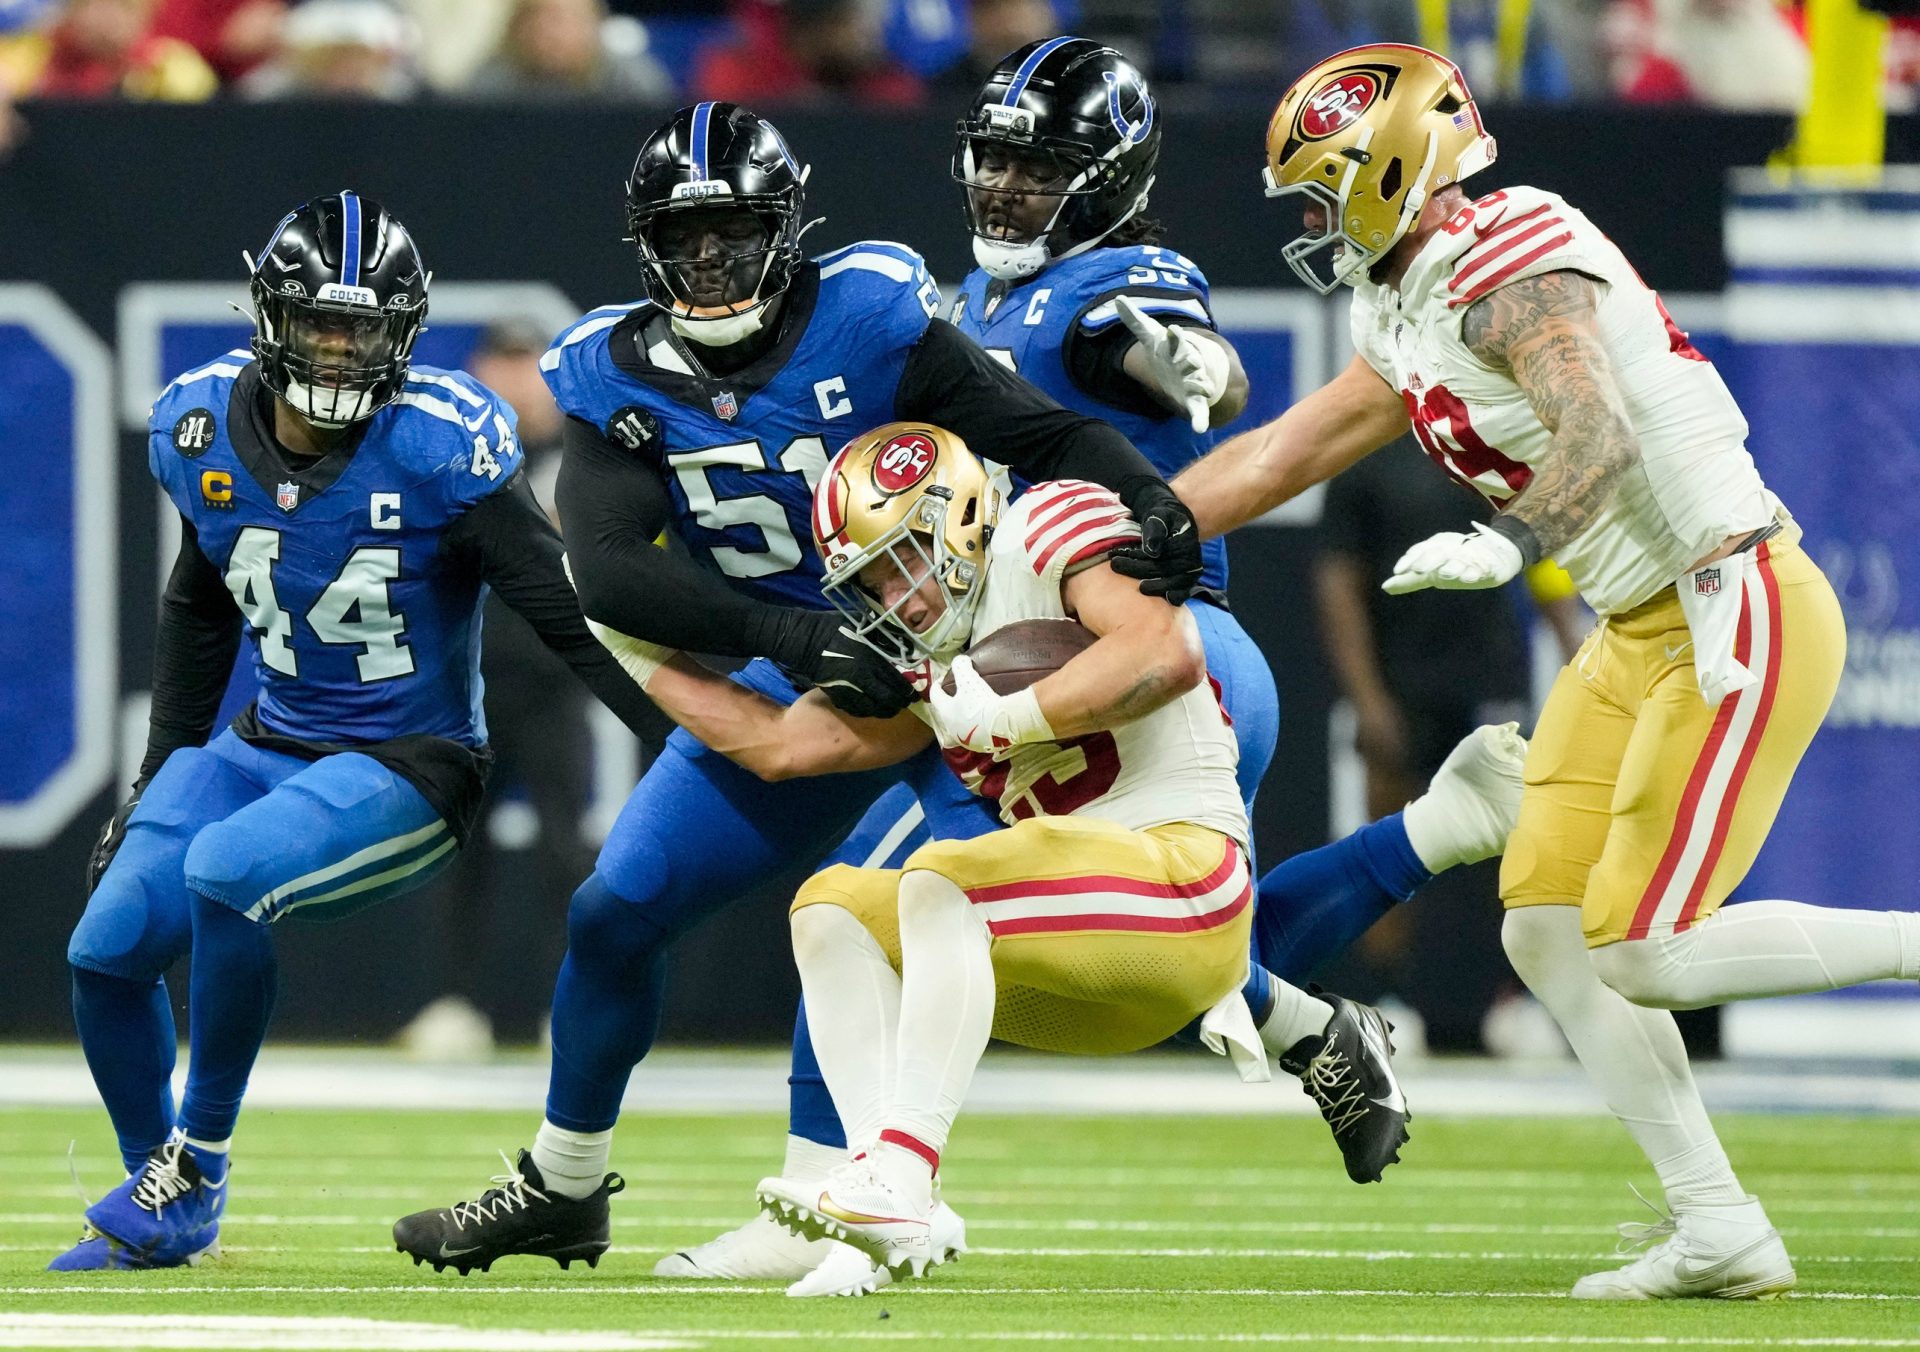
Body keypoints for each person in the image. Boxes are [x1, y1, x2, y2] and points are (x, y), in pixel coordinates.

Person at [387, 99, 1216, 1279]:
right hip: (807, 656)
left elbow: (1036, 430)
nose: (711, 260)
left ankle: (890, 1196)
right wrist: (789, 627)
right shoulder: (609, 369)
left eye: (734, 231)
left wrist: (1153, 492)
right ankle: (565, 1185)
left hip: (958, 649)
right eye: (685, 237)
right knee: (616, 910)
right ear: (644, 245)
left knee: (925, 918)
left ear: (788, 229)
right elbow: (611, 570)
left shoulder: (872, 311)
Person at [1171, 42, 1920, 1300]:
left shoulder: (1507, 256)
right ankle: (1719, 1224)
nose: (1309, 216)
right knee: (1544, 922)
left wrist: (1508, 538)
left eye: (1323, 187)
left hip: (1731, 597)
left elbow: (1599, 428)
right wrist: (1097, 538)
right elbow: (1281, 454)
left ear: (1395, 169)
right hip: (1639, 625)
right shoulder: (1397, 298)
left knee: (1642, 946)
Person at [592, 422, 1526, 1297]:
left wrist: (1006, 716)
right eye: (873, 584)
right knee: (832, 905)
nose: (898, 598)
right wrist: (631, 651)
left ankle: (904, 1179)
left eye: (905, 562)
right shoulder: (926, 651)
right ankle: (874, 1204)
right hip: (1083, 964)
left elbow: (1165, 652)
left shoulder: (1049, 524)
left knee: (941, 880)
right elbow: (780, 747)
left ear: (961, 518)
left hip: (1181, 890)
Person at [50, 193, 665, 1272]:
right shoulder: (198, 424)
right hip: (267, 736)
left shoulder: (439, 439)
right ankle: (166, 1186)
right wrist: (156, 777)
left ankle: (198, 1158)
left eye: (363, 329)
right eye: (319, 324)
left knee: (227, 872)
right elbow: (200, 603)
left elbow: (557, 602)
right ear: (269, 317)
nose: (338, 351)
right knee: (103, 950)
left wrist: (676, 734)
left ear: (404, 334)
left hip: (408, 761)